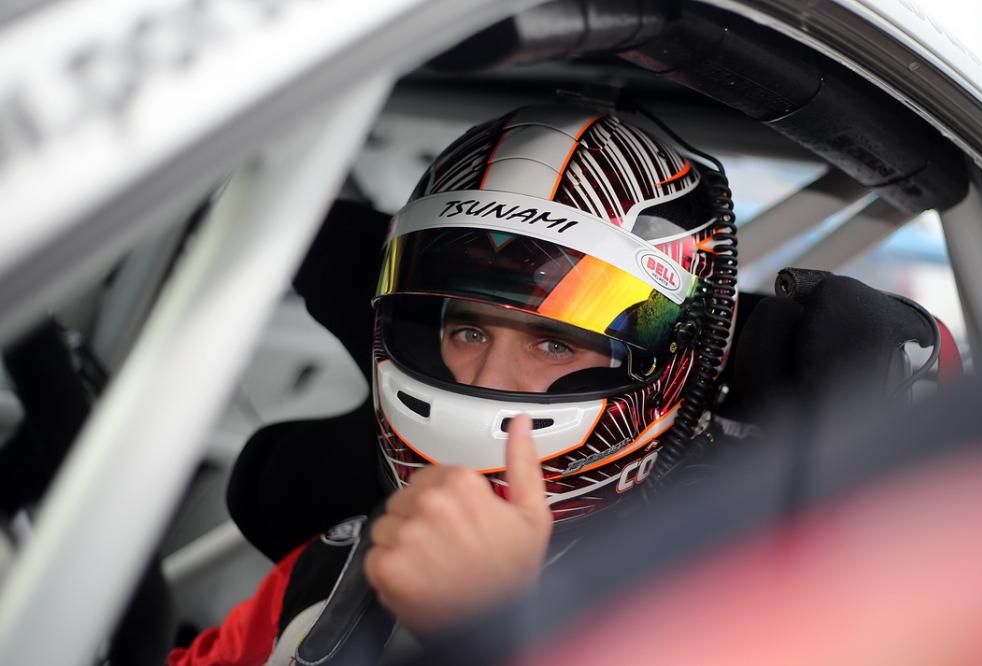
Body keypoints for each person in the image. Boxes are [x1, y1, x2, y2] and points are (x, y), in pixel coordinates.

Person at [166, 102, 736, 665]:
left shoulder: (736, 597)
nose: (488, 378)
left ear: (675, 356)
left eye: (554, 344)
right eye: (468, 332)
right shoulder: (336, 571)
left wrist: (491, 635)